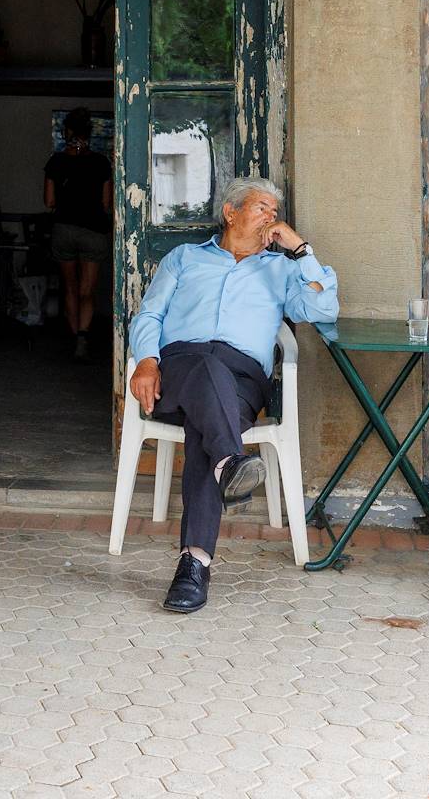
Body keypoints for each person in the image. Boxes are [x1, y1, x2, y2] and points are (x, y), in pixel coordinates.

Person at [128, 177, 338, 613]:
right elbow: (149, 313)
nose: (271, 217)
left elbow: (323, 310)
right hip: (180, 369)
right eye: (262, 207)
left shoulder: (281, 270)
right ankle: (212, 515)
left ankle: (198, 550)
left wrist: (300, 250)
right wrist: (147, 360)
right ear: (230, 212)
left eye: (275, 212)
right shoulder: (184, 259)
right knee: (206, 366)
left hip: (241, 380)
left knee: (211, 415)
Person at [44, 108, 114, 361]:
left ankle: (74, 338)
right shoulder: (101, 163)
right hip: (94, 231)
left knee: (70, 288)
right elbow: (107, 203)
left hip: (64, 229)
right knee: (87, 291)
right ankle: (83, 337)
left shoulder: (56, 162)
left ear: (66, 133)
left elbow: (49, 201)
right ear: (90, 134)